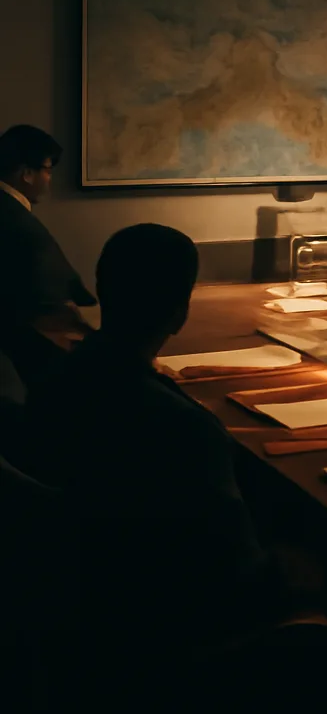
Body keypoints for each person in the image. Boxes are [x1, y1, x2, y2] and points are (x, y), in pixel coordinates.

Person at [26, 224, 310, 654]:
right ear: (181, 312)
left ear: (101, 290)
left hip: (88, 608)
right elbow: (237, 574)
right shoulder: (181, 428)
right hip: (175, 630)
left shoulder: (60, 377)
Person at [0, 125, 96, 390]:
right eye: (48, 170)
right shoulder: (20, 226)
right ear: (27, 173)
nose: (49, 179)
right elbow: (51, 301)